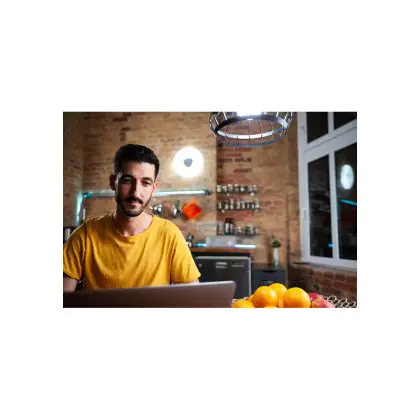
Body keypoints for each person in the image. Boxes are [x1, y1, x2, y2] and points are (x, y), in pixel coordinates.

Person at [63, 144, 201, 292]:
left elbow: (193, 298)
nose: (135, 192)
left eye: (145, 183)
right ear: (113, 182)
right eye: (127, 180)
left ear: (153, 188)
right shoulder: (85, 235)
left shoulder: (169, 235)